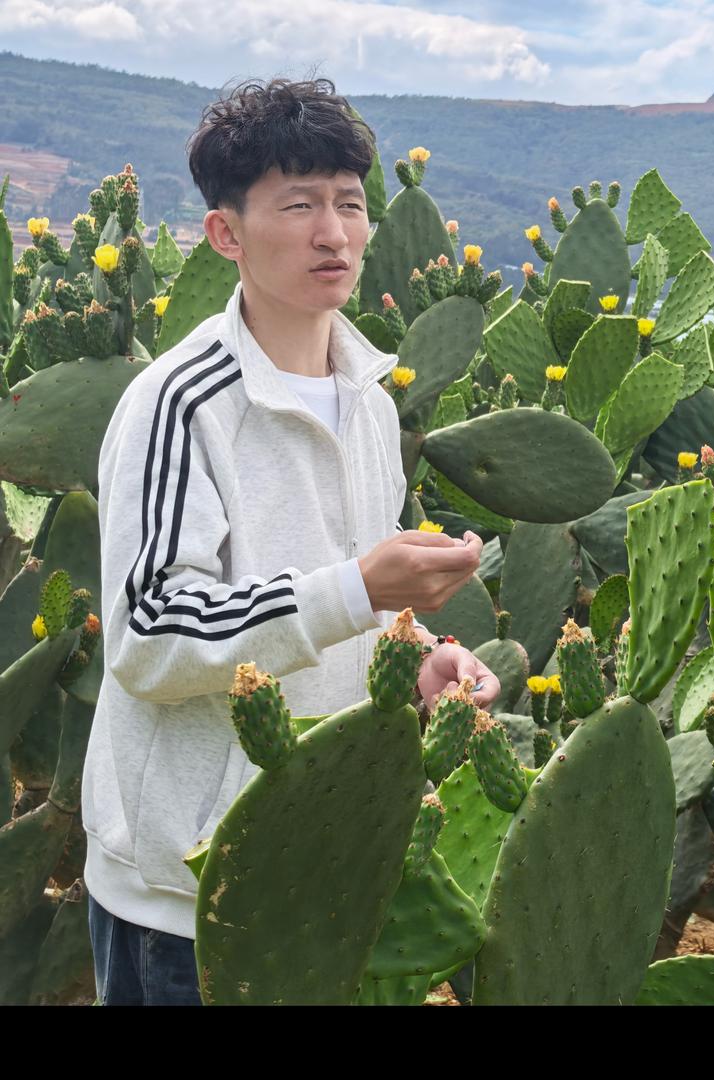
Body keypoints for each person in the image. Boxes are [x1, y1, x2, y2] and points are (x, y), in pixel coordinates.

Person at [81, 77, 500, 1005]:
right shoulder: (178, 405)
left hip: (323, 878)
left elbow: (348, 592)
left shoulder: (368, 398)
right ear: (225, 234)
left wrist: (419, 658)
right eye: (299, 205)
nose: (334, 233)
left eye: (349, 203)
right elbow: (148, 635)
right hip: (187, 904)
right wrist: (359, 590)